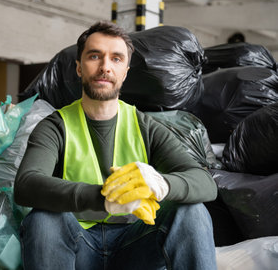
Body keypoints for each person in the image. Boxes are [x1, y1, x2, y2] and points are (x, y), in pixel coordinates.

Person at [14, 21, 217, 270]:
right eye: (94, 56)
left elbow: (205, 182)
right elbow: (26, 184)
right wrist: (103, 198)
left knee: (191, 212)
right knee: (43, 219)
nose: (105, 67)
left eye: (116, 59)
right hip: (79, 247)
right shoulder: (56, 126)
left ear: (126, 72)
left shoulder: (146, 126)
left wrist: (163, 185)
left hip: (135, 245)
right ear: (79, 67)